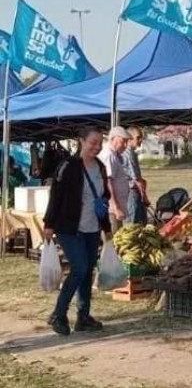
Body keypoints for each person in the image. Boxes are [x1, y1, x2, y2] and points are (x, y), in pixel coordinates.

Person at [43, 128, 111, 336]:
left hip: (92, 227)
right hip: (68, 227)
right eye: (93, 142)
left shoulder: (99, 167)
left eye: (100, 142)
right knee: (79, 268)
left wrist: (106, 227)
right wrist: (49, 223)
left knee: (87, 271)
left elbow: (103, 199)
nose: (97, 146)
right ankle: (59, 314)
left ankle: (83, 317)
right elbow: (56, 195)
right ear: (80, 141)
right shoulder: (68, 166)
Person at [98, 127, 132, 232]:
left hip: (115, 207)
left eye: (127, 142)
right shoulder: (109, 155)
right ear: (113, 139)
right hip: (111, 209)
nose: (125, 145)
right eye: (123, 141)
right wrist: (116, 207)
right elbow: (108, 182)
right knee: (114, 238)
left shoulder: (114, 155)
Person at [124, 126, 149, 225]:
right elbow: (135, 178)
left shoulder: (133, 153)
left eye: (141, 137)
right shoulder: (127, 153)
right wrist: (144, 196)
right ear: (129, 138)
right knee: (132, 222)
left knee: (140, 222)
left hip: (137, 191)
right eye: (138, 137)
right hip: (131, 192)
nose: (140, 140)